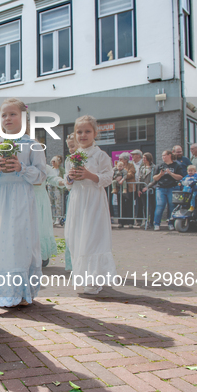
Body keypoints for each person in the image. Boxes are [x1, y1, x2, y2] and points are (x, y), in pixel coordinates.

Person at [0, 98, 46, 307]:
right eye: (3, 115)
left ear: (23, 118)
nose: (7, 118)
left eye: (12, 114)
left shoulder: (33, 145)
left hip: (22, 199)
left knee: (21, 241)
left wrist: (21, 168)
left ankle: (22, 293)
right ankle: (5, 292)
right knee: (3, 243)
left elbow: (40, 176)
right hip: (1, 200)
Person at [65, 115, 116, 295]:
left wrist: (89, 175)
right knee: (77, 237)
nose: (83, 135)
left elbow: (108, 177)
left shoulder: (100, 155)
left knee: (93, 238)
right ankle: (83, 276)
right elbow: (68, 183)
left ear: (95, 133)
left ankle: (94, 279)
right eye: (79, 132)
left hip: (93, 200)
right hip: (78, 200)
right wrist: (70, 177)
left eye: (87, 131)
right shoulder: (73, 157)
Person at [36, 165, 64, 267]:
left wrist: (64, 181)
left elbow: (53, 178)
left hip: (40, 198)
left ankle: (42, 255)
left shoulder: (44, 166)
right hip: (25, 197)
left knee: (41, 226)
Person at [150, 150, 184, 231]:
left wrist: (170, 173)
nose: (163, 157)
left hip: (172, 187)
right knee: (160, 205)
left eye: (164, 155)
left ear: (169, 155)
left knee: (172, 206)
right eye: (162, 156)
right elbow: (154, 178)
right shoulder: (160, 166)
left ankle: (171, 223)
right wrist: (160, 174)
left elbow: (180, 177)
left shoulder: (176, 165)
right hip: (161, 188)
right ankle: (157, 223)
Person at [64, 134, 77, 272]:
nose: (71, 149)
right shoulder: (69, 160)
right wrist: (70, 178)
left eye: (73, 146)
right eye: (69, 147)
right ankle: (73, 263)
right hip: (74, 195)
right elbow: (68, 184)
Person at [117, 152, 136, 228]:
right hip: (120, 187)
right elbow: (114, 172)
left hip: (129, 188)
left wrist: (122, 177)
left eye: (121, 159)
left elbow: (131, 174)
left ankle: (130, 222)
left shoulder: (131, 165)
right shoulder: (118, 165)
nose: (119, 160)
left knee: (129, 205)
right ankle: (121, 222)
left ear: (125, 160)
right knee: (120, 205)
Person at [138, 153, 156, 229]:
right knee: (144, 206)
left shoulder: (154, 168)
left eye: (145, 158)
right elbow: (139, 178)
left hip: (151, 189)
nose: (143, 159)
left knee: (151, 206)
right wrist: (138, 189)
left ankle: (151, 221)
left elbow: (154, 179)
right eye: (143, 158)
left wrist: (148, 187)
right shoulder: (142, 168)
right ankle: (146, 221)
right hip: (142, 189)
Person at [48, 155, 65, 225]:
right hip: (50, 187)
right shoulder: (51, 169)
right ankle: (52, 218)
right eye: (52, 161)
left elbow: (64, 178)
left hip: (57, 188)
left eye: (54, 161)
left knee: (58, 203)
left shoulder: (61, 170)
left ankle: (58, 218)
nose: (52, 163)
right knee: (51, 204)